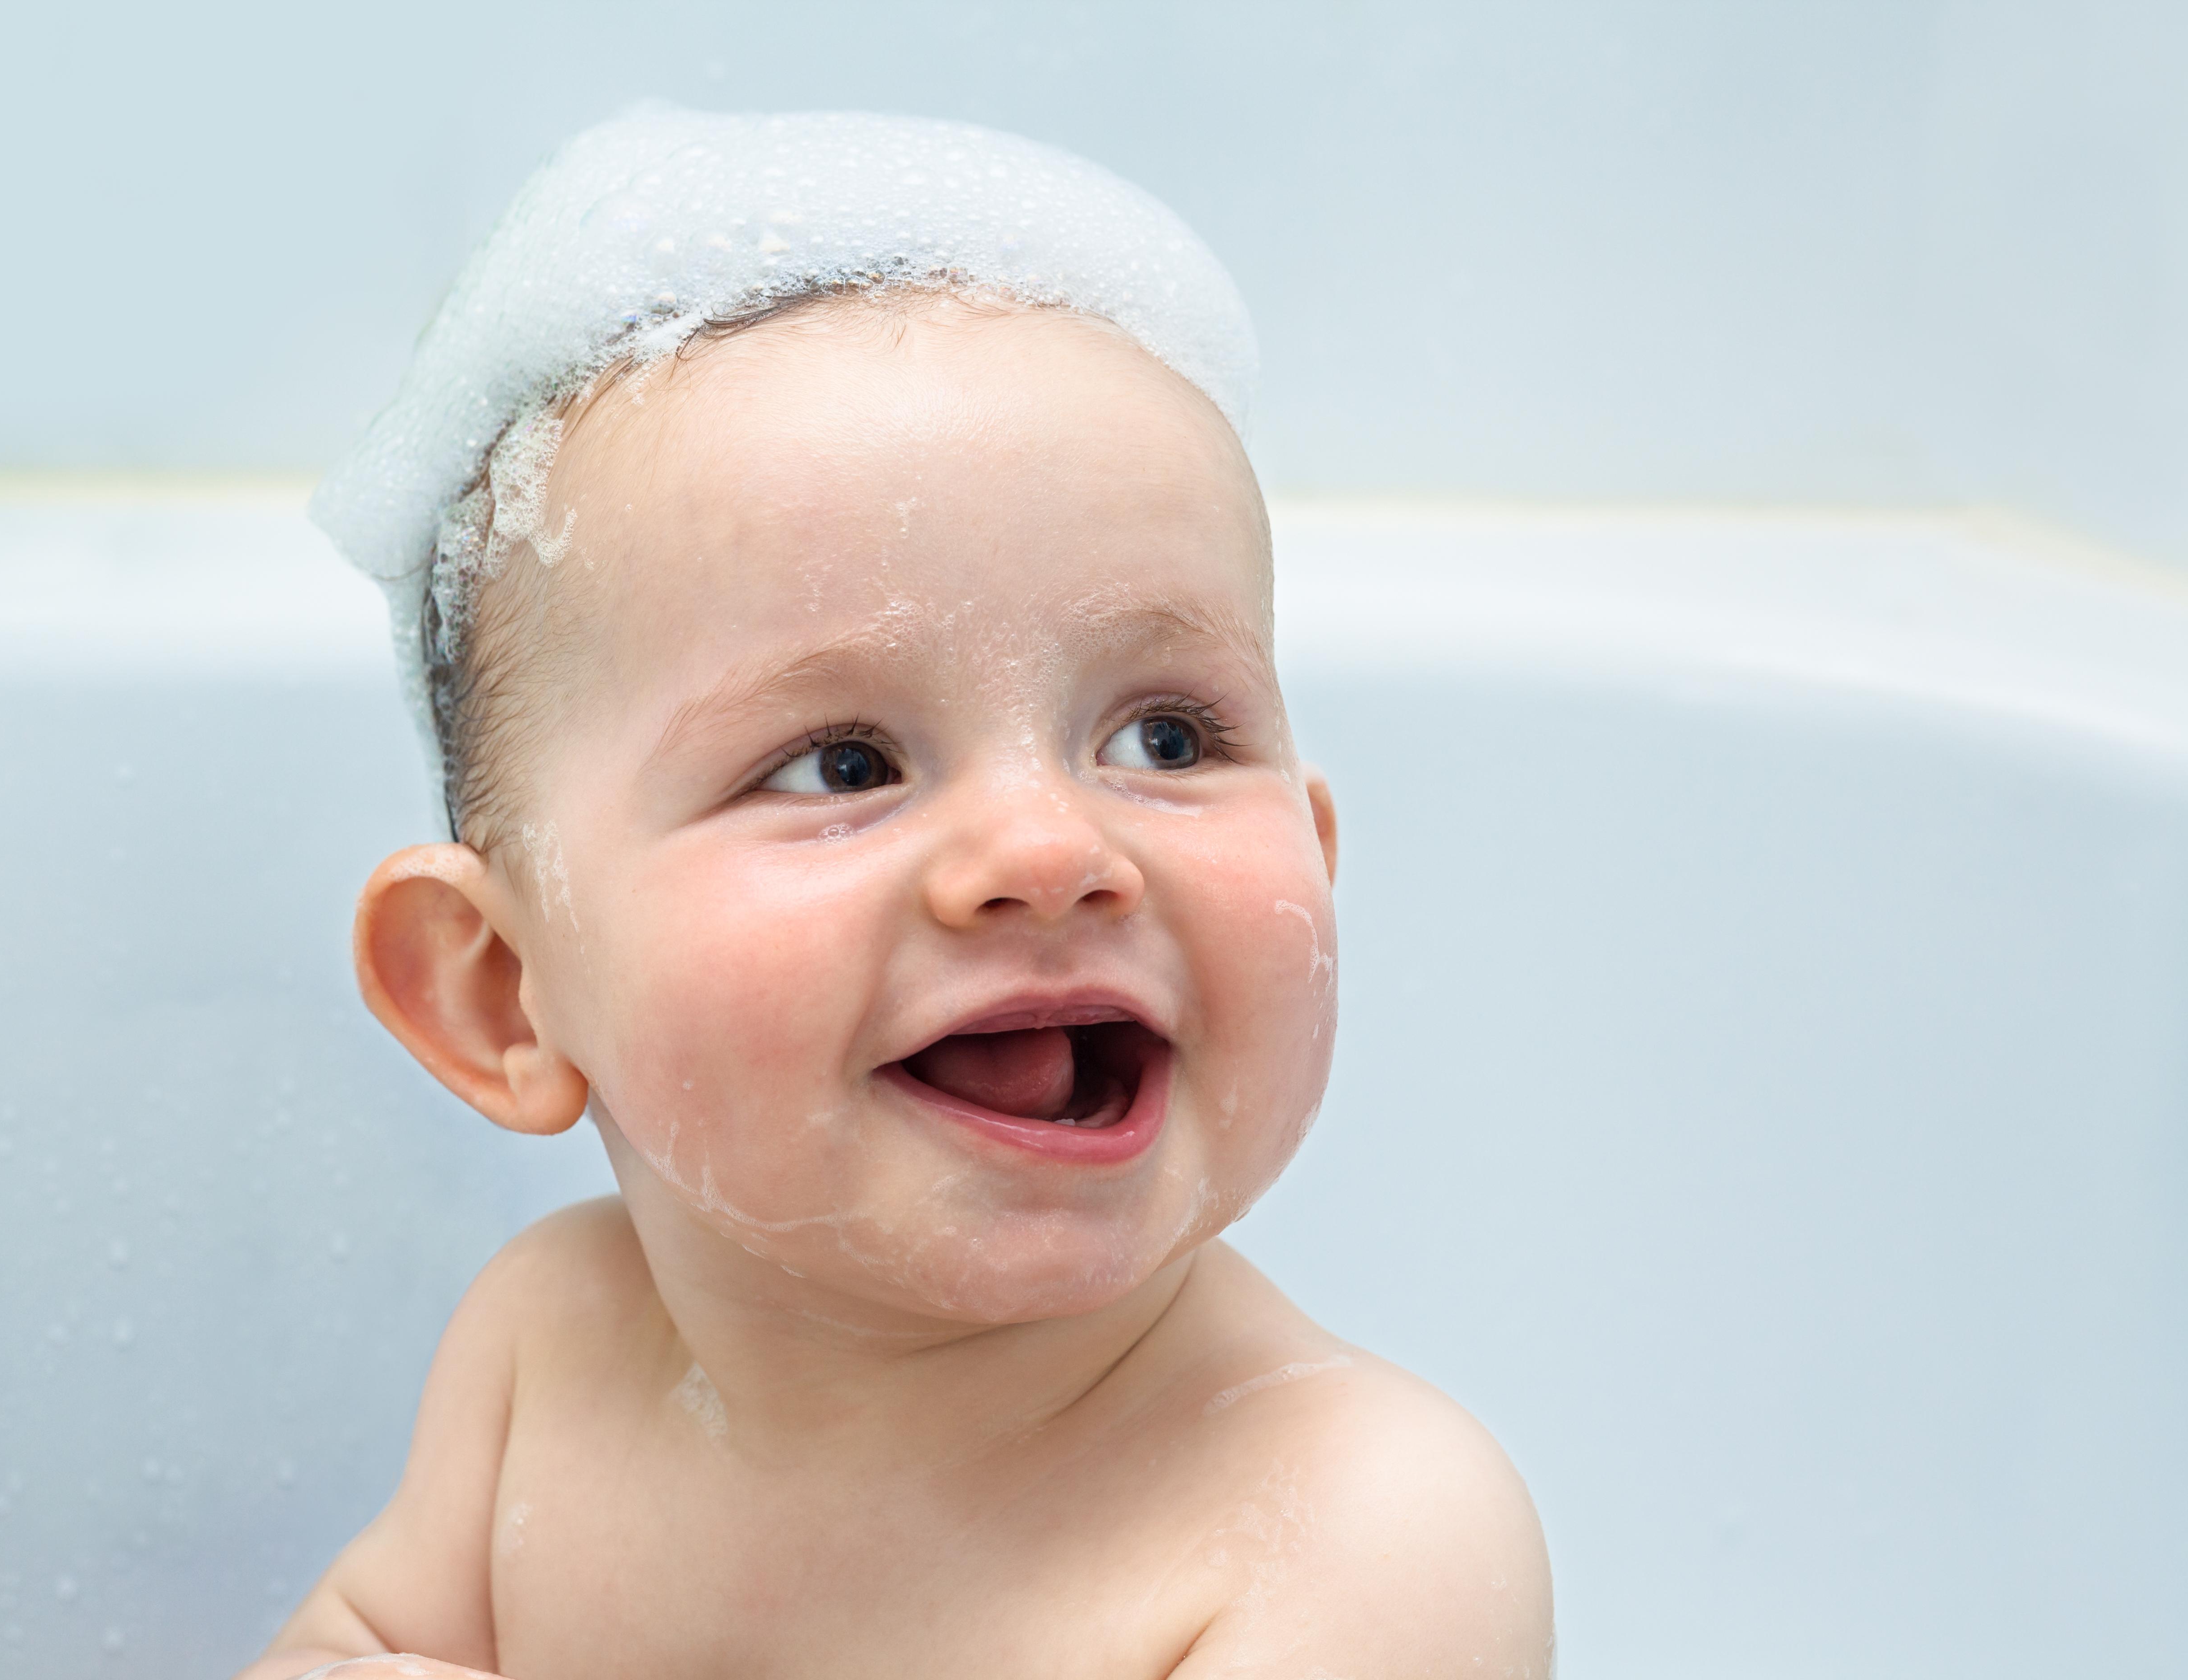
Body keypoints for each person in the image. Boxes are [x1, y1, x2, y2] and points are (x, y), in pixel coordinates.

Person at [241, 107, 1551, 1680]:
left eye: (1166, 737)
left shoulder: (1355, 1532)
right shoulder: (550, 1347)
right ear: (505, 996)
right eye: (843, 766)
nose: (1051, 849)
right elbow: (354, 1644)